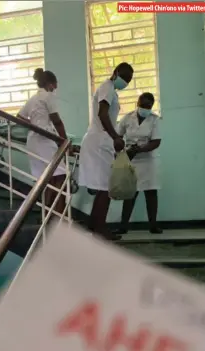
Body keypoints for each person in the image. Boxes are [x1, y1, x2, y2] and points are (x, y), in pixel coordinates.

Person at [78, 62, 134, 241]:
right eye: (124, 77)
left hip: (101, 141)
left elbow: (106, 116)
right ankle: (100, 229)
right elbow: (103, 114)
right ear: (116, 72)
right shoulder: (107, 87)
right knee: (104, 188)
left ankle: (94, 225)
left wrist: (115, 137)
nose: (125, 81)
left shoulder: (110, 89)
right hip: (100, 141)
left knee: (103, 188)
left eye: (129, 80)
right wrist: (115, 137)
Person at [17, 68, 70, 214]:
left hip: (33, 141)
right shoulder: (48, 96)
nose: (56, 89)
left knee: (48, 180)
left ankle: (46, 215)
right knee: (61, 176)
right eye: (55, 85)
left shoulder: (34, 98)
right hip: (44, 141)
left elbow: (19, 117)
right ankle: (57, 216)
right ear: (50, 84)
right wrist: (65, 142)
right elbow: (57, 121)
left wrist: (34, 126)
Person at [114, 92, 162, 235]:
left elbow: (156, 142)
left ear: (151, 106)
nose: (144, 108)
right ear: (137, 104)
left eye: (148, 106)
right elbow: (117, 135)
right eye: (142, 105)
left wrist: (140, 149)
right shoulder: (128, 118)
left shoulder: (154, 119)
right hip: (131, 159)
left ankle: (153, 225)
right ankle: (123, 226)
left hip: (148, 160)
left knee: (151, 192)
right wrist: (122, 151)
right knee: (130, 193)